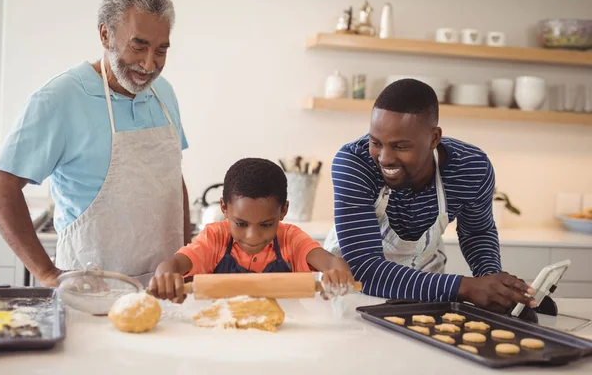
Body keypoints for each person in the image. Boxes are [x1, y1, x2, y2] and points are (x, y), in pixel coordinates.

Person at [0, 0, 189, 287]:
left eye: (161, 50)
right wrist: (46, 274)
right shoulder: (59, 98)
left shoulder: (164, 93)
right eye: (138, 46)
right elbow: (1, 188)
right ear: (105, 34)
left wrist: (187, 259)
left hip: (162, 292)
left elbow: (174, 180)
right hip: (89, 290)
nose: (149, 64)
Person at [323, 79, 536, 313]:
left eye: (400, 146)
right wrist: (466, 287)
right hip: (354, 295)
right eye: (376, 142)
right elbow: (366, 269)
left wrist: (494, 285)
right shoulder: (354, 163)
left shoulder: (471, 168)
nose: (384, 158)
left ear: (434, 138)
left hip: (427, 293)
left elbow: (477, 232)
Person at [149, 158, 355, 303]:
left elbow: (331, 263)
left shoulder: (291, 239)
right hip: (223, 333)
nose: (253, 237)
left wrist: (339, 274)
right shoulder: (215, 238)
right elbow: (173, 264)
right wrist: (166, 277)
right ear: (224, 208)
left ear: (283, 210)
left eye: (266, 225)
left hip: (282, 338)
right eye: (241, 224)